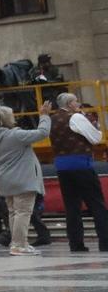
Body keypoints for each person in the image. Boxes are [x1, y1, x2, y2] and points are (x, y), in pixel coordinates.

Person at [0, 105, 52, 257]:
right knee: (23, 212)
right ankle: (19, 245)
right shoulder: (16, 135)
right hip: (22, 179)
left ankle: (18, 243)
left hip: (3, 179)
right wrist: (44, 116)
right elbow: (43, 132)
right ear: (6, 119)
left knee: (13, 212)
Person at [48, 93, 108, 253]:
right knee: (97, 204)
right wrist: (92, 124)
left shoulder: (52, 119)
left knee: (72, 207)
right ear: (69, 104)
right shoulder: (76, 117)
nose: (79, 103)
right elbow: (96, 138)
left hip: (62, 166)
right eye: (76, 101)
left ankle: (76, 244)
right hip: (81, 164)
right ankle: (105, 242)